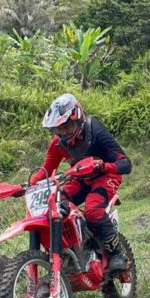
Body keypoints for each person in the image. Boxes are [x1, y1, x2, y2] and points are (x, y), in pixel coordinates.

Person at [33, 93, 132, 273]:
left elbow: (125, 163)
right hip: (79, 177)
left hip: (105, 175)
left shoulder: (96, 131)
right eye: (58, 129)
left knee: (93, 209)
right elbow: (46, 170)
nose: (63, 133)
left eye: (67, 127)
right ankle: (72, 247)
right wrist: (26, 186)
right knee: (54, 204)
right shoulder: (58, 143)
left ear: (78, 118)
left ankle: (117, 254)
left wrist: (103, 166)